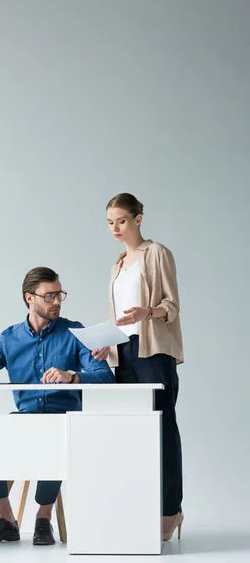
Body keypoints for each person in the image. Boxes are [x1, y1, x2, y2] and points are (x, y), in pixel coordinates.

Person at [0, 266, 114, 546]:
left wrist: (71, 376)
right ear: (30, 298)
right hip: (25, 419)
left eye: (59, 294)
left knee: (55, 437)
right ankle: (6, 520)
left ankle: (43, 518)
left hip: (64, 419)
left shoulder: (76, 332)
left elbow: (104, 376)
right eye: (49, 296)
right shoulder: (8, 338)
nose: (57, 301)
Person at [92, 193, 184, 541]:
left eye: (122, 221)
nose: (116, 228)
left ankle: (169, 511)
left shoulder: (156, 253)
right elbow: (120, 317)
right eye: (110, 223)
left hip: (152, 351)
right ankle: (138, 506)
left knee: (162, 429)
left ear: (138, 219)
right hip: (124, 352)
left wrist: (149, 312)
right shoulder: (117, 264)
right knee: (131, 433)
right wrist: (107, 341)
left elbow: (172, 305)